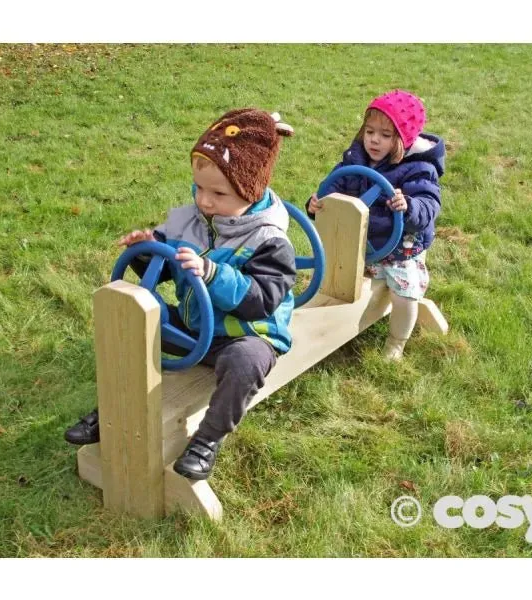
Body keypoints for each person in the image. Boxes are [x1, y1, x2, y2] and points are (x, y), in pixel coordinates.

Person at [65, 108, 297, 480]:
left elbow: (261, 301)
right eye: (200, 187)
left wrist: (213, 273)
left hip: (245, 334)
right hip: (195, 325)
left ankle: (207, 440)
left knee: (248, 363)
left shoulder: (269, 240)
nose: (204, 201)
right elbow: (166, 268)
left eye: (219, 192)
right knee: (135, 318)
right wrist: (146, 249)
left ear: (250, 190)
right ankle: (110, 414)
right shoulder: (192, 219)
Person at [307, 89, 445, 360]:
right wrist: (315, 206)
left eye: (385, 135)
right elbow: (330, 190)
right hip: (359, 245)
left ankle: (396, 341)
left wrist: (408, 206)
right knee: (334, 279)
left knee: (404, 294)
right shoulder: (354, 159)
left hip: (399, 249)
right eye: (369, 131)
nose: (374, 140)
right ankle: (328, 325)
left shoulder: (418, 168)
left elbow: (429, 206)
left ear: (403, 139)